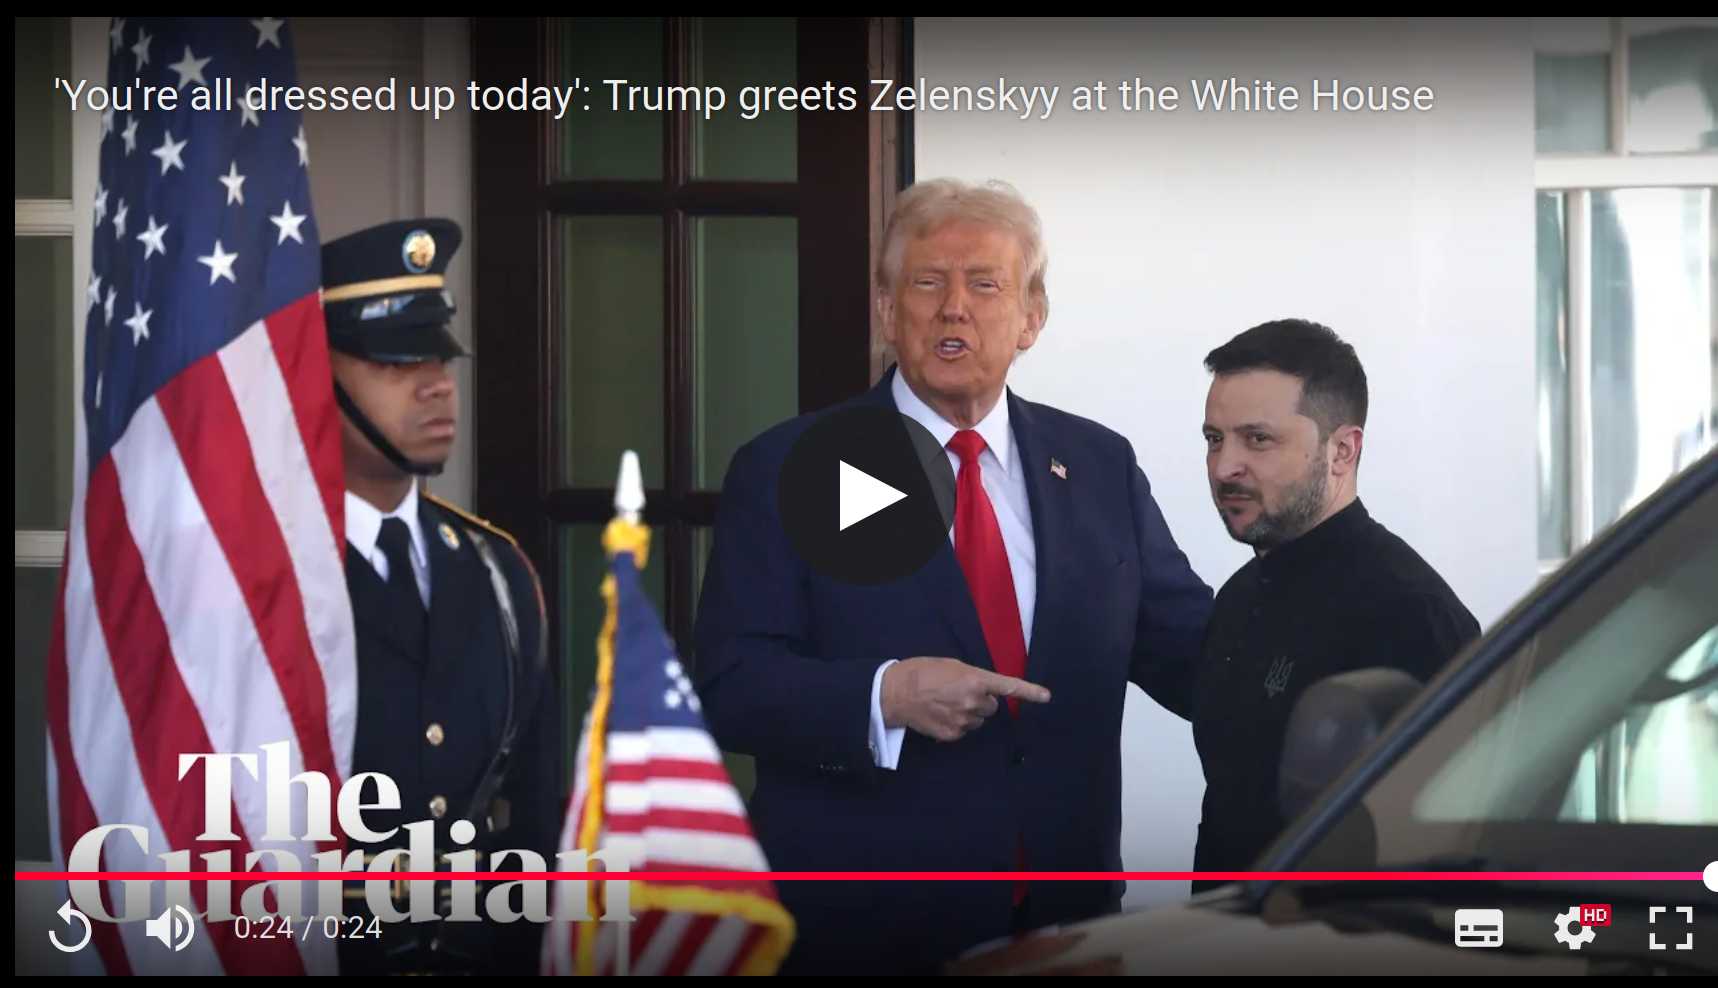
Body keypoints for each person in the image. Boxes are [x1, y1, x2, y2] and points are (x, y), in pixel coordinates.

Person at [692, 179, 1215, 973]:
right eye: (927, 282)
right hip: (864, 927)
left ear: (1032, 317)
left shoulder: (1100, 465)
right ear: (885, 310)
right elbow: (731, 685)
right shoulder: (786, 468)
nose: (953, 309)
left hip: (1064, 923)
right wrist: (885, 696)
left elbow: (1191, 652)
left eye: (984, 284)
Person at [320, 219, 562, 973]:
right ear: (313, 375)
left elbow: (538, 812)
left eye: (441, 358)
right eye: (397, 362)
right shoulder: (264, 574)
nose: (437, 385)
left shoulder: (498, 569)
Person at [1192, 318, 1480, 891]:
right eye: (1214, 439)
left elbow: (1445, 857)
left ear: (1342, 450)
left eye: (1258, 439)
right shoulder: (1238, 598)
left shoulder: (1410, 613)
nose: (1225, 467)